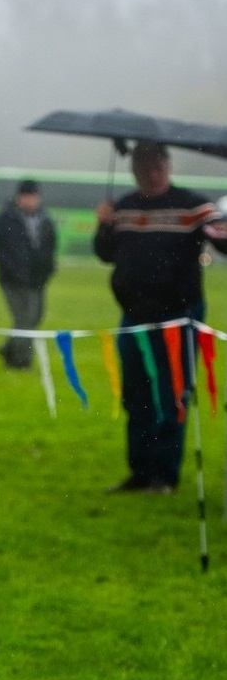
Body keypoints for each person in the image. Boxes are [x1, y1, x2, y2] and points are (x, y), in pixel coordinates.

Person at [94, 141, 227, 494]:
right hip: (133, 314)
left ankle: (164, 475)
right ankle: (139, 471)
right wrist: (104, 226)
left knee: (172, 395)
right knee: (135, 394)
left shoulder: (193, 205)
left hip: (178, 316)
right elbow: (105, 254)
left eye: (158, 166)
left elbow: (222, 241)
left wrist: (219, 228)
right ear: (133, 169)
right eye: (144, 167)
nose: (151, 174)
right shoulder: (123, 207)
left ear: (168, 167)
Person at [0, 179, 57, 369]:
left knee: (35, 317)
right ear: (19, 197)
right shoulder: (3, 219)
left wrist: (47, 269)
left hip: (37, 279)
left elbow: (50, 248)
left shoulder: (46, 220)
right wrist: (12, 266)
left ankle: (8, 348)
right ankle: (21, 361)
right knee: (23, 318)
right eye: (27, 197)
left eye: (34, 197)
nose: (31, 201)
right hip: (11, 279)